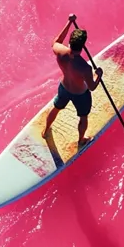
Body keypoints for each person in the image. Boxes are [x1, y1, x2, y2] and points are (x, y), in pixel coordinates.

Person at [41, 14, 103, 147]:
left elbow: (55, 41)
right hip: (80, 94)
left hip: (64, 88)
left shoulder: (60, 52)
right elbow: (92, 87)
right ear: (82, 46)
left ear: (70, 42)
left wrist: (69, 23)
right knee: (83, 117)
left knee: (56, 108)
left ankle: (45, 131)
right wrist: (98, 75)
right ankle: (81, 140)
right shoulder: (85, 67)